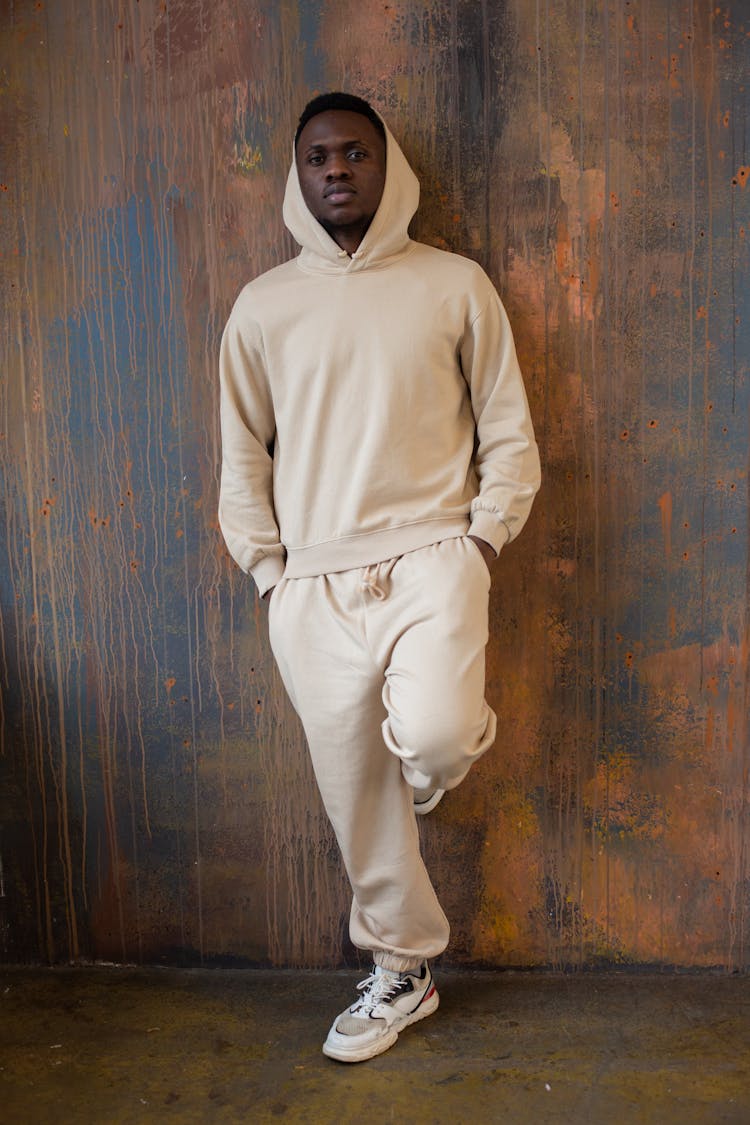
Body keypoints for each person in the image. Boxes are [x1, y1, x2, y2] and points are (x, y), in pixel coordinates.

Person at [219, 91, 540, 1063]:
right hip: (312, 583)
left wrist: (483, 538)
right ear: (298, 172)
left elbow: (508, 429)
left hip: (434, 555)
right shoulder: (264, 306)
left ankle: (446, 727)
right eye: (319, 157)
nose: (337, 172)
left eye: (355, 153)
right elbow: (242, 457)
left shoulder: (454, 284)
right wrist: (271, 576)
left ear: (386, 164)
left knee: (436, 738)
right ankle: (403, 968)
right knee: (355, 791)